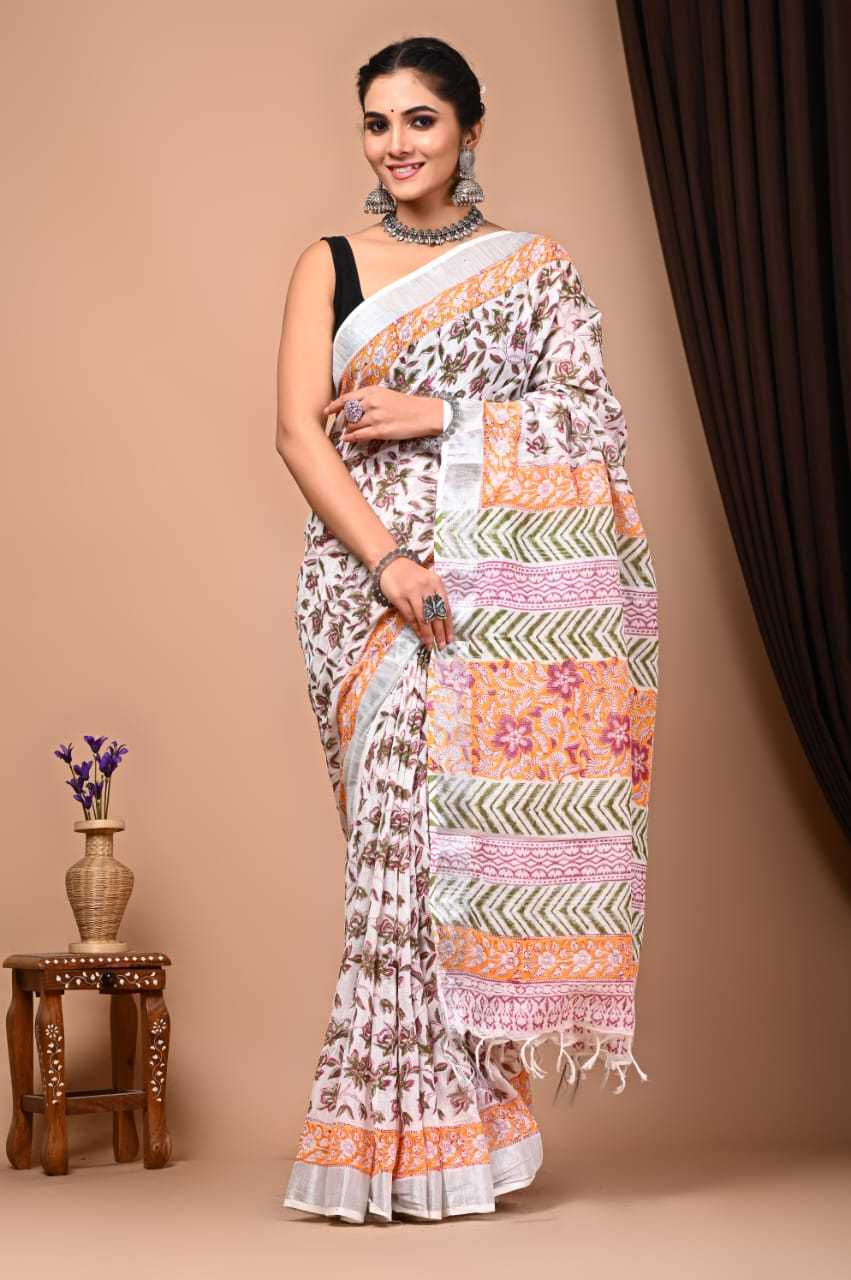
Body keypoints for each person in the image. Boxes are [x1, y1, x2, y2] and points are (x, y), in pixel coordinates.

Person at [276, 35, 659, 1225]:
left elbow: (589, 422)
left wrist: (439, 411)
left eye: (420, 120)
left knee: (452, 857)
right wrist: (388, 561)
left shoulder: (534, 270)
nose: (395, 145)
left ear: (468, 131)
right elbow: (296, 432)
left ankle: (457, 1141)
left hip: (493, 585)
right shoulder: (329, 262)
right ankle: (391, 1136)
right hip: (360, 587)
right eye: (376, 122)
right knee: (387, 857)